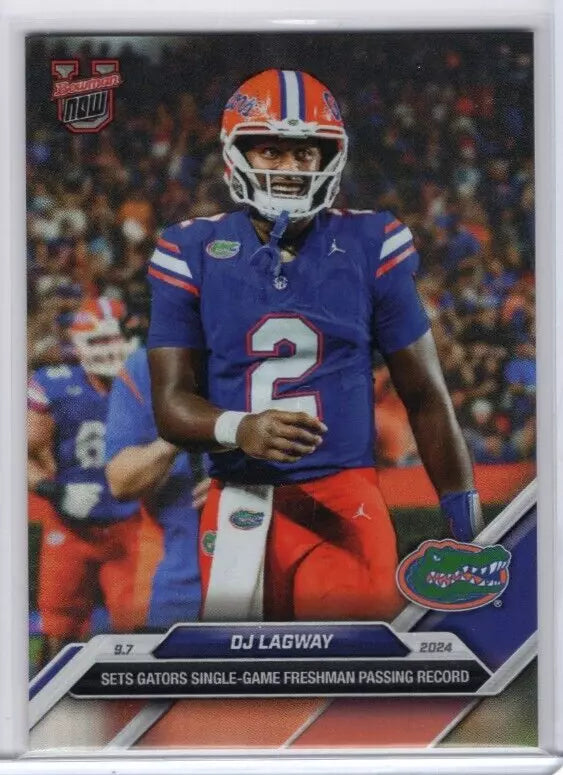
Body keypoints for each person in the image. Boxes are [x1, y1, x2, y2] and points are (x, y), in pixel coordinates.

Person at [147, 69, 483, 623]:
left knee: (351, 667)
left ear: (330, 158)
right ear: (237, 154)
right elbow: (170, 404)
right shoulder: (191, 249)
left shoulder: (371, 242)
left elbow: (425, 396)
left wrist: (468, 530)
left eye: (305, 152)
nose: (290, 167)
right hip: (239, 500)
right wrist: (240, 428)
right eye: (272, 151)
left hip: (344, 500)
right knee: (242, 673)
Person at [28, 297, 145, 666]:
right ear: (78, 346)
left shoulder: (151, 382)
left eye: (112, 339)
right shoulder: (55, 385)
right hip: (71, 524)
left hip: (132, 523)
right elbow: (17, 452)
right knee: (58, 630)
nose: (106, 350)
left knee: (139, 631)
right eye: (96, 341)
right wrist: (55, 490)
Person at [105, 345, 209, 630]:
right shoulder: (145, 365)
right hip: (180, 574)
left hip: (266, 570)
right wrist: (180, 432)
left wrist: (245, 477)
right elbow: (121, 481)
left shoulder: (277, 354)